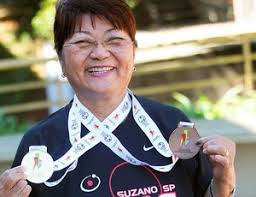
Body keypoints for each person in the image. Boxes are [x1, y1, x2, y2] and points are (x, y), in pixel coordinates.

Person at [0, 0, 236, 196]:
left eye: (115, 40)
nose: (100, 53)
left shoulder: (173, 126)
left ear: (134, 51)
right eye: (83, 42)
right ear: (61, 59)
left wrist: (223, 183)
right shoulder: (40, 143)